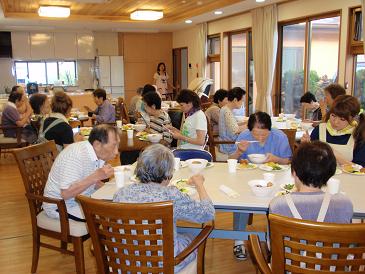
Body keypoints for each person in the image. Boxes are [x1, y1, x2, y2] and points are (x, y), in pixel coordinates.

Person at [113, 144, 215, 272]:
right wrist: (199, 185)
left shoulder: (121, 193)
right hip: (164, 265)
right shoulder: (171, 195)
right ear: (168, 174)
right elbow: (208, 214)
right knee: (190, 236)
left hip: (126, 262)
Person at [229, 111, 292, 260]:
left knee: (280, 204)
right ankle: (238, 240)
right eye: (256, 134)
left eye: (264, 134)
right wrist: (239, 152)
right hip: (247, 178)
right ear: (250, 130)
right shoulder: (244, 136)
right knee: (241, 201)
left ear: (270, 129)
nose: (260, 138)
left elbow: (289, 160)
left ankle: (274, 241)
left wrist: (277, 159)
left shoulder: (279, 137)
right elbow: (230, 160)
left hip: (274, 178)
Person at [43, 125, 119, 221]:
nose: (116, 152)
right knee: (113, 216)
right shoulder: (75, 155)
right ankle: (104, 236)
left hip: (82, 198)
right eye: (113, 145)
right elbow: (65, 193)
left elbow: (92, 182)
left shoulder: (96, 153)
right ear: (97, 145)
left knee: (118, 206)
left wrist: (114, 190)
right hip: (60, 206)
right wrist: (95, 177)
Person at [270, 141, 353, 223]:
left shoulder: (278, 205)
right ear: (330, 173)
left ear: (294, 172)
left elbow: (272, 235)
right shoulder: (344, 204)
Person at [302, 95, 360, 165]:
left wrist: (334, 154)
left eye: (342, 119)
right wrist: (305, 147)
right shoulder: (320, 129)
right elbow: (308, 161)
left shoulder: (358, 135)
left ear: (353, 118)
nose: (335, 122)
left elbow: (361, 170)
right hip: (321, 175)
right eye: (333, 115)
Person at [219, 87, 247, 155]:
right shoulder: (227, 111)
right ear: (235, 100)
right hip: (229, 145)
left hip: (227, 142)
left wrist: (246, 123)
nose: (242, 103)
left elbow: (232, 125)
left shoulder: (225, 109)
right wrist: (250, 125)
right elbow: (235, 130)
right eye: (242, 101)